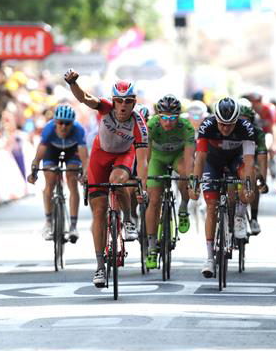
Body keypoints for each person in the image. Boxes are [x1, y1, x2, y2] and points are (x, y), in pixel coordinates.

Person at [64, 69, 148, 287]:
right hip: (99, 156)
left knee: (117, 180)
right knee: (99, 212)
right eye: (119, 101)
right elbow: (85, 98)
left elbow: (143, 161)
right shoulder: (105, 108)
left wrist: (142, 188)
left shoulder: (139, 124)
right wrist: (73, 83)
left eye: (128, 102)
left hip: (124, 155)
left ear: (134, 102)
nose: (123, 106)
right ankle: (100, 267)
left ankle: (129, 220)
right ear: (113, 101)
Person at [189, 97, 256, 278]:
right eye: (222, 124)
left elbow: (249, 161)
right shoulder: (207, 125)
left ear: (237, 120)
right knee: (211, 206)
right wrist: (195, 182)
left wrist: (248, 185)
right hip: (213, 162)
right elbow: (200, 158)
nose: (225, 128)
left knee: (248, 178)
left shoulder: (246, 128)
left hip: (236, 160)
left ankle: (240, 215)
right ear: (215, 119)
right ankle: (210, 258)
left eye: (230, 125)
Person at [145, 94, 195, 269]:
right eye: (164, 117)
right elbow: (146, 155)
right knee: (154, 199)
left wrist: (190, 179)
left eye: (172, 118)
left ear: (178, 117)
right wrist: (144, 178)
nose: (168, 122)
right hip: (157, 158)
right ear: (158, 116)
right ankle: (151, 246)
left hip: (178, 157)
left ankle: (183, 207)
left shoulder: (186, 127)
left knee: (185, 173)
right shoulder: (151, 125)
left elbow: (189, 158)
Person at [27, 104, 88, 243]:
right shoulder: (48, 129)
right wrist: (34, 172)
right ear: (55, 122)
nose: (63, 127)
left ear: (73, 123)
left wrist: (85, 174)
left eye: (67, 123)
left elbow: (85, 159)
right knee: (50, 180)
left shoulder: (78, 130)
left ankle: (73, 226)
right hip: (52, 151)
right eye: (60, 122)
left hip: (72, 151)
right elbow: (38, 157)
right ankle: (48, 222)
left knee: (72, 179)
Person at [238, 98, 269, 236]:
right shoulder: (231, 128)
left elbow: (262, 158)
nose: (244, 123)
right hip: (234, 159)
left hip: (251, 160)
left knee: (255, 177)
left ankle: (254, 218)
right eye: (241, 120)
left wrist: (262, 180)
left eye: (247, 120)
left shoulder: (258, 132)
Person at [247, 92, 276, 180]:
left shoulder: (270, 108)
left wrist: (274, 145)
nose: (255, 104)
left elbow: (274, 127)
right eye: (253, 101)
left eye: (258, 101)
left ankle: (269, 162)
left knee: (265, 144)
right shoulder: (249, 109)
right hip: (254, 135)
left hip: (266, 134)